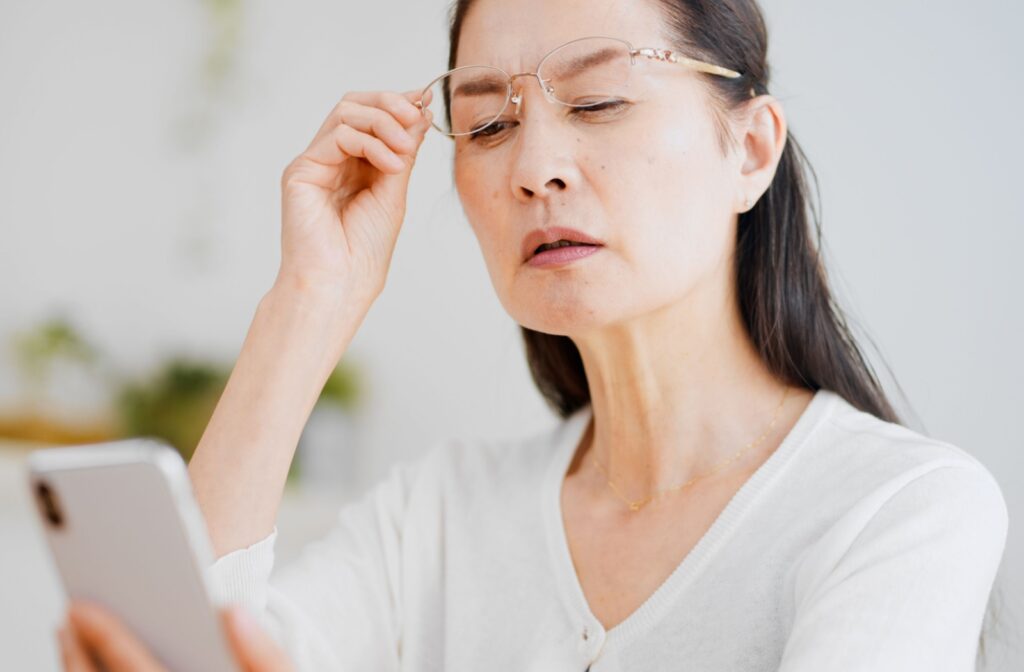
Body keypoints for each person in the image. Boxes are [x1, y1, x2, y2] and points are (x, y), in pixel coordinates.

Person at [59, 0, 1009, 669]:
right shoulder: (435, 519)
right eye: (485, 124)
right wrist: (311, 297)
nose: (535, 167)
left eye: (598, 101)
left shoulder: (901, 510)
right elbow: (180, 645)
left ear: (750, 148)